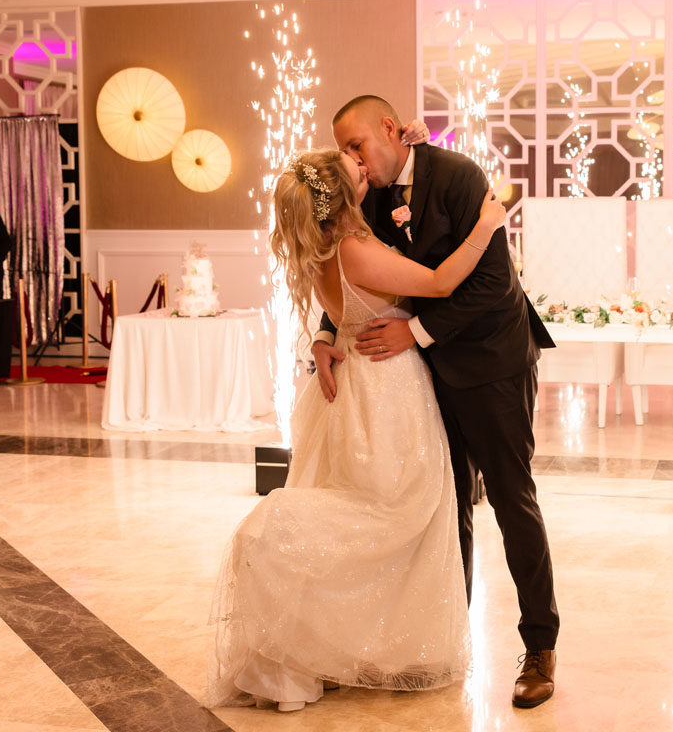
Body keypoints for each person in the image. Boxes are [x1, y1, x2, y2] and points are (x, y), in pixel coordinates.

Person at [208, 148, 506, 711]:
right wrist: (487, 225)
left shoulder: (329, 248)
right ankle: (290, 559)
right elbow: (440, 282)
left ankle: (335, 647)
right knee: (393, 512)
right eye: (353, 167)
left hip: (357, 384)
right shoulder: (354, 250)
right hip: (386, 390)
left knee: (383, 508)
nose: (362, 164)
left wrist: (324, 338)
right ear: (342, 196)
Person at [317, 95, 560, 709]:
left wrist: (416, 333)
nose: (353, 160)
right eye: (343, 150)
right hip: (423, 377)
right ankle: (443, 641)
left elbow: (493, 283)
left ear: (389, 129)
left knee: (511, 499)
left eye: (356, 145)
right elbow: (356, 272)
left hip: (492, 362)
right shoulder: (367, 197)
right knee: (443, 506)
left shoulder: (458, 175)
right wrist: (324, 333)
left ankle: (540, 645)